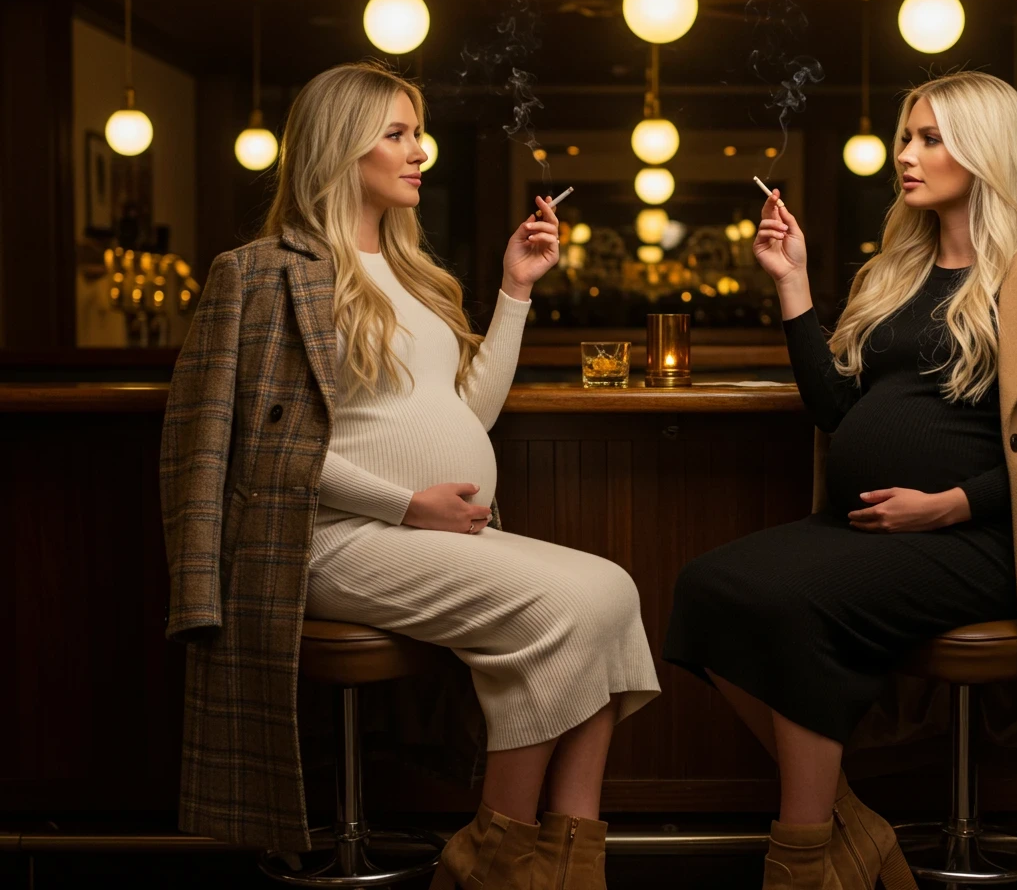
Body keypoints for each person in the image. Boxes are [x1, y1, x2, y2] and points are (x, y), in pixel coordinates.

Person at [663, 71, 1017, 890]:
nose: (907, 154)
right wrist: (792, 286)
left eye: (930, 138)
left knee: (796, 607)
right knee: (705, 588)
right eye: (907, 136)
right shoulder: (890, 274)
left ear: (985, 153)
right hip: (872, 530)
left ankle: (801, 853)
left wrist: (954, 503)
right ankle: (853, 824)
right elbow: (837, 410)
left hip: (995, 542)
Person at [159, 62, 659, 889]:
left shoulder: (419, 275)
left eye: (415, 131)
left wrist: (514, 292)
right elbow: (256, 447)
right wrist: (404, 504)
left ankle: (569, 861)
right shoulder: (261, 272)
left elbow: (472, 410)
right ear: (340, 146)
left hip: (424, 535)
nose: (418, 149)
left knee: (614, 591)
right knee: (569, 606)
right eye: (396, 133)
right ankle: (494, 857)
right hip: (326, 542)